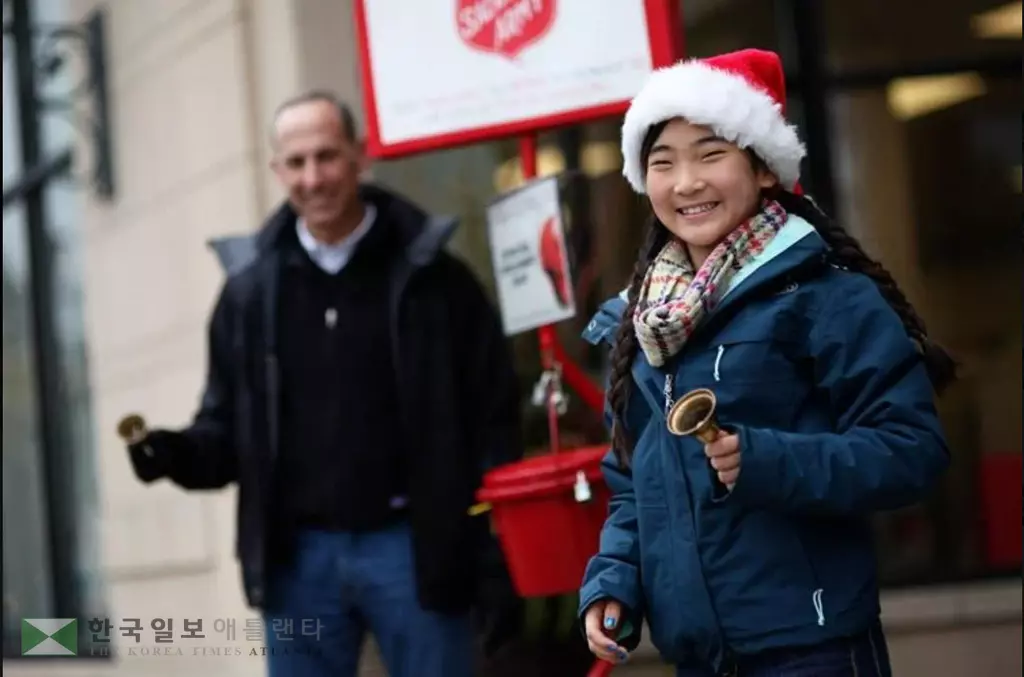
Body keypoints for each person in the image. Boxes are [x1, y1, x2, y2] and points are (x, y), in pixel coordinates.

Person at [577, 49, 955, 677]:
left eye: (711, 154)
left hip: (815, 652)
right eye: (662, 162)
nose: (686, 181)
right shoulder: (643, 320)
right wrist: (614, 583)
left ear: (766, 170)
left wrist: (766, 460)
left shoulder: (828, 297)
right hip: (698, 656)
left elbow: (912, 451)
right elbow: (631, 489)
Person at [122, 90, 522, 677]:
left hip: (415, 546)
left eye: (327, 156)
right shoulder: (248, 294)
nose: (313, 177)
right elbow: (227, 431)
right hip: (297, 559)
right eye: (297, 161)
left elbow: (494, 415)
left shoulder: (435, 278)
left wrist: (490, 544)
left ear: (360, 156)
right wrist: (174, 454)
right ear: (277, 169)